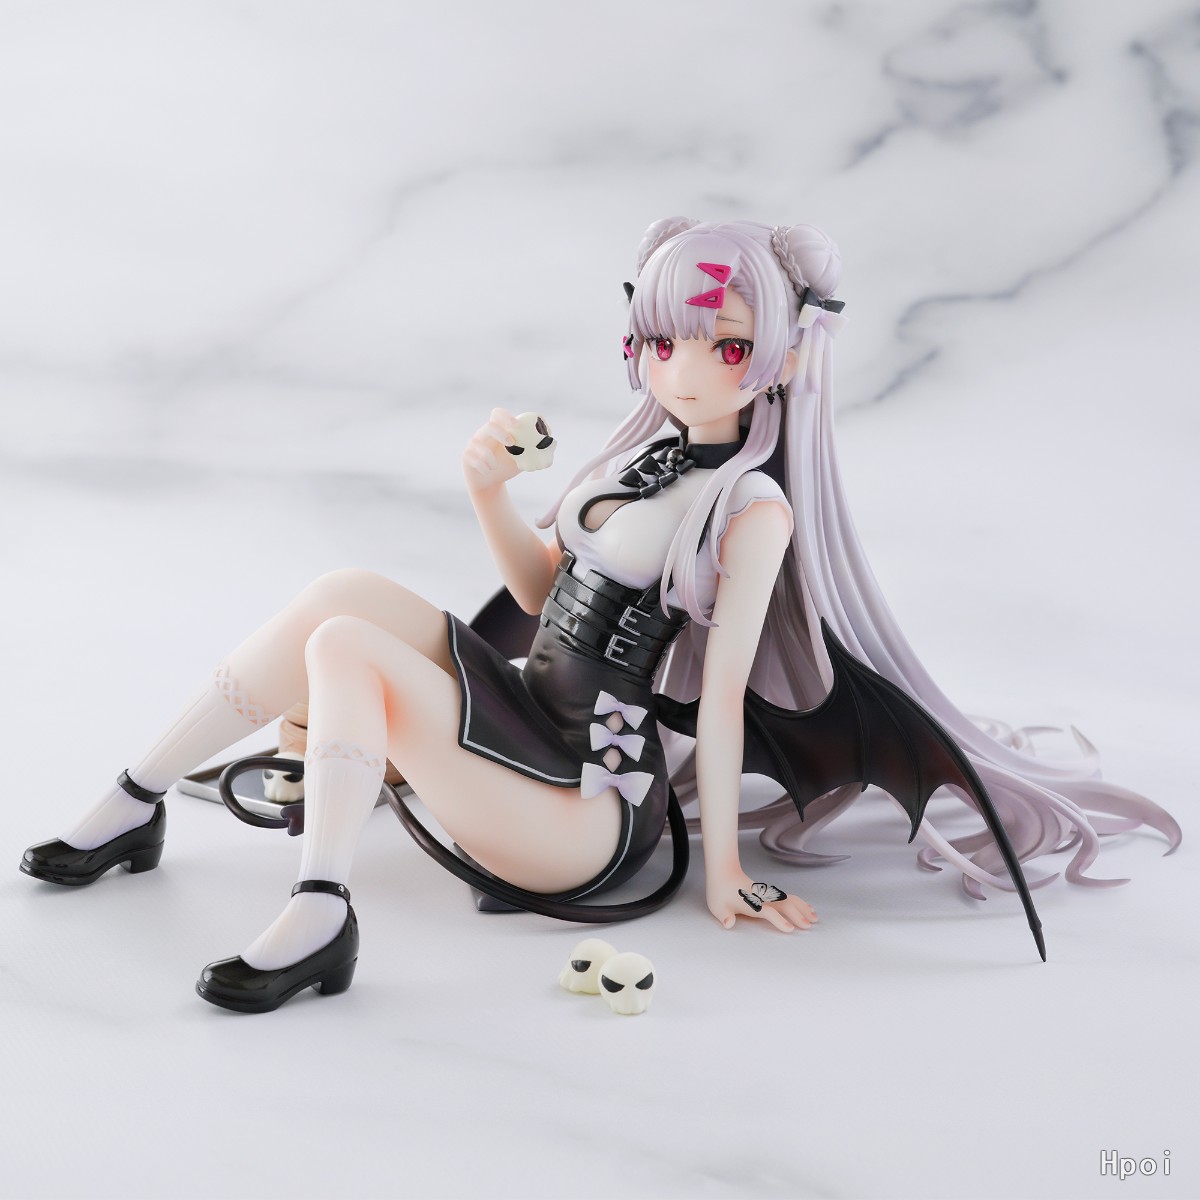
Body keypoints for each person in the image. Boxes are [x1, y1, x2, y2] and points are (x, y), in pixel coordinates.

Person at [19, 218, 1179, 1013]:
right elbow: (543, 604)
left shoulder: (752, 509)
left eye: (726, 347)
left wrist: (722, 873)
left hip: (590, 807)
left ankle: (322, 913)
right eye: (665, 341)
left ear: (779, 361)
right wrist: (488, 493)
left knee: (344, 648)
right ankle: (135, 802)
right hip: (527, 722)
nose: (686, 368)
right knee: (342, 595)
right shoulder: (644, 459)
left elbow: (721, 702)